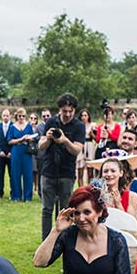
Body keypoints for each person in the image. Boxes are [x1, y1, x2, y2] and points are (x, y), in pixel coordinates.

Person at [39, 93, 87, 239]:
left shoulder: (79, 126)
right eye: (64, 111)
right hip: (48, 170)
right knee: (47, 209)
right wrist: (48, 138)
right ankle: (46, 240)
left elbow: (77, 150)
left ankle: (62, 240)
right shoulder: (51, 122)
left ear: (74, 110)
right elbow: (41, 146)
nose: (67, 114)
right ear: (59, 109)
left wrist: (65, 141)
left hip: (67, 172)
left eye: (70, 111)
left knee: (65, 210)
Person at [7, 108, 36, 202]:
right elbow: (9, 141)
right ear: (17, 116)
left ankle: (28, 196)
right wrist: (20, 139)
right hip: (16, 150)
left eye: (23, 116)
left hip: (26, 151)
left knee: (28, 173)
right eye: (20, 116)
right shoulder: (12, 127)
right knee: (15, 173)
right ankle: (16, 195)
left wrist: (29, 139)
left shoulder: (28, 126)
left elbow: (33, 138)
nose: (21, 118)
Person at [0, 108, 12, 198]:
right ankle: (0, 193)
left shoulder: (13, 126)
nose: (5, 117)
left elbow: (13, 139)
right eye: (4, 115)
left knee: (12, 175)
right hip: (0, 154)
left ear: (10, 116)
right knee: (0, 174)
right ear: (2, 116)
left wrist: (10, 152)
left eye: (7, 116)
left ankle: (13, 193)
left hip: (10, 154)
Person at [76, 108, 96, 187]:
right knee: (80, 170)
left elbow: (96, 139)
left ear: (88, 116)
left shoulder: (92, 125)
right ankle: (81, 189)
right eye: (82, 115)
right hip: (81, 146)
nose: (83, 117)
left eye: (85, 115)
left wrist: (92, 133)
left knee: (90, 171)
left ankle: (90, 188)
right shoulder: (78, 125)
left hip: (90, 146)